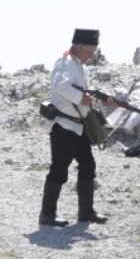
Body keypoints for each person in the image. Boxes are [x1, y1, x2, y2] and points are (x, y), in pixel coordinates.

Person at [38, 28, 116, 227]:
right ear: (79, 46)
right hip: (63, 126)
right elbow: (60, 87)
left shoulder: (80, 67)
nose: (91, 55)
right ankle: (47, 215)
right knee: (59, 171)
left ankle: (86, 212)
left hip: (79, 127)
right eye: (90, 51)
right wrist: (81, 98)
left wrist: (102, 101)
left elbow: (86, 98)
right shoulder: (64, 63)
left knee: (88, 165)